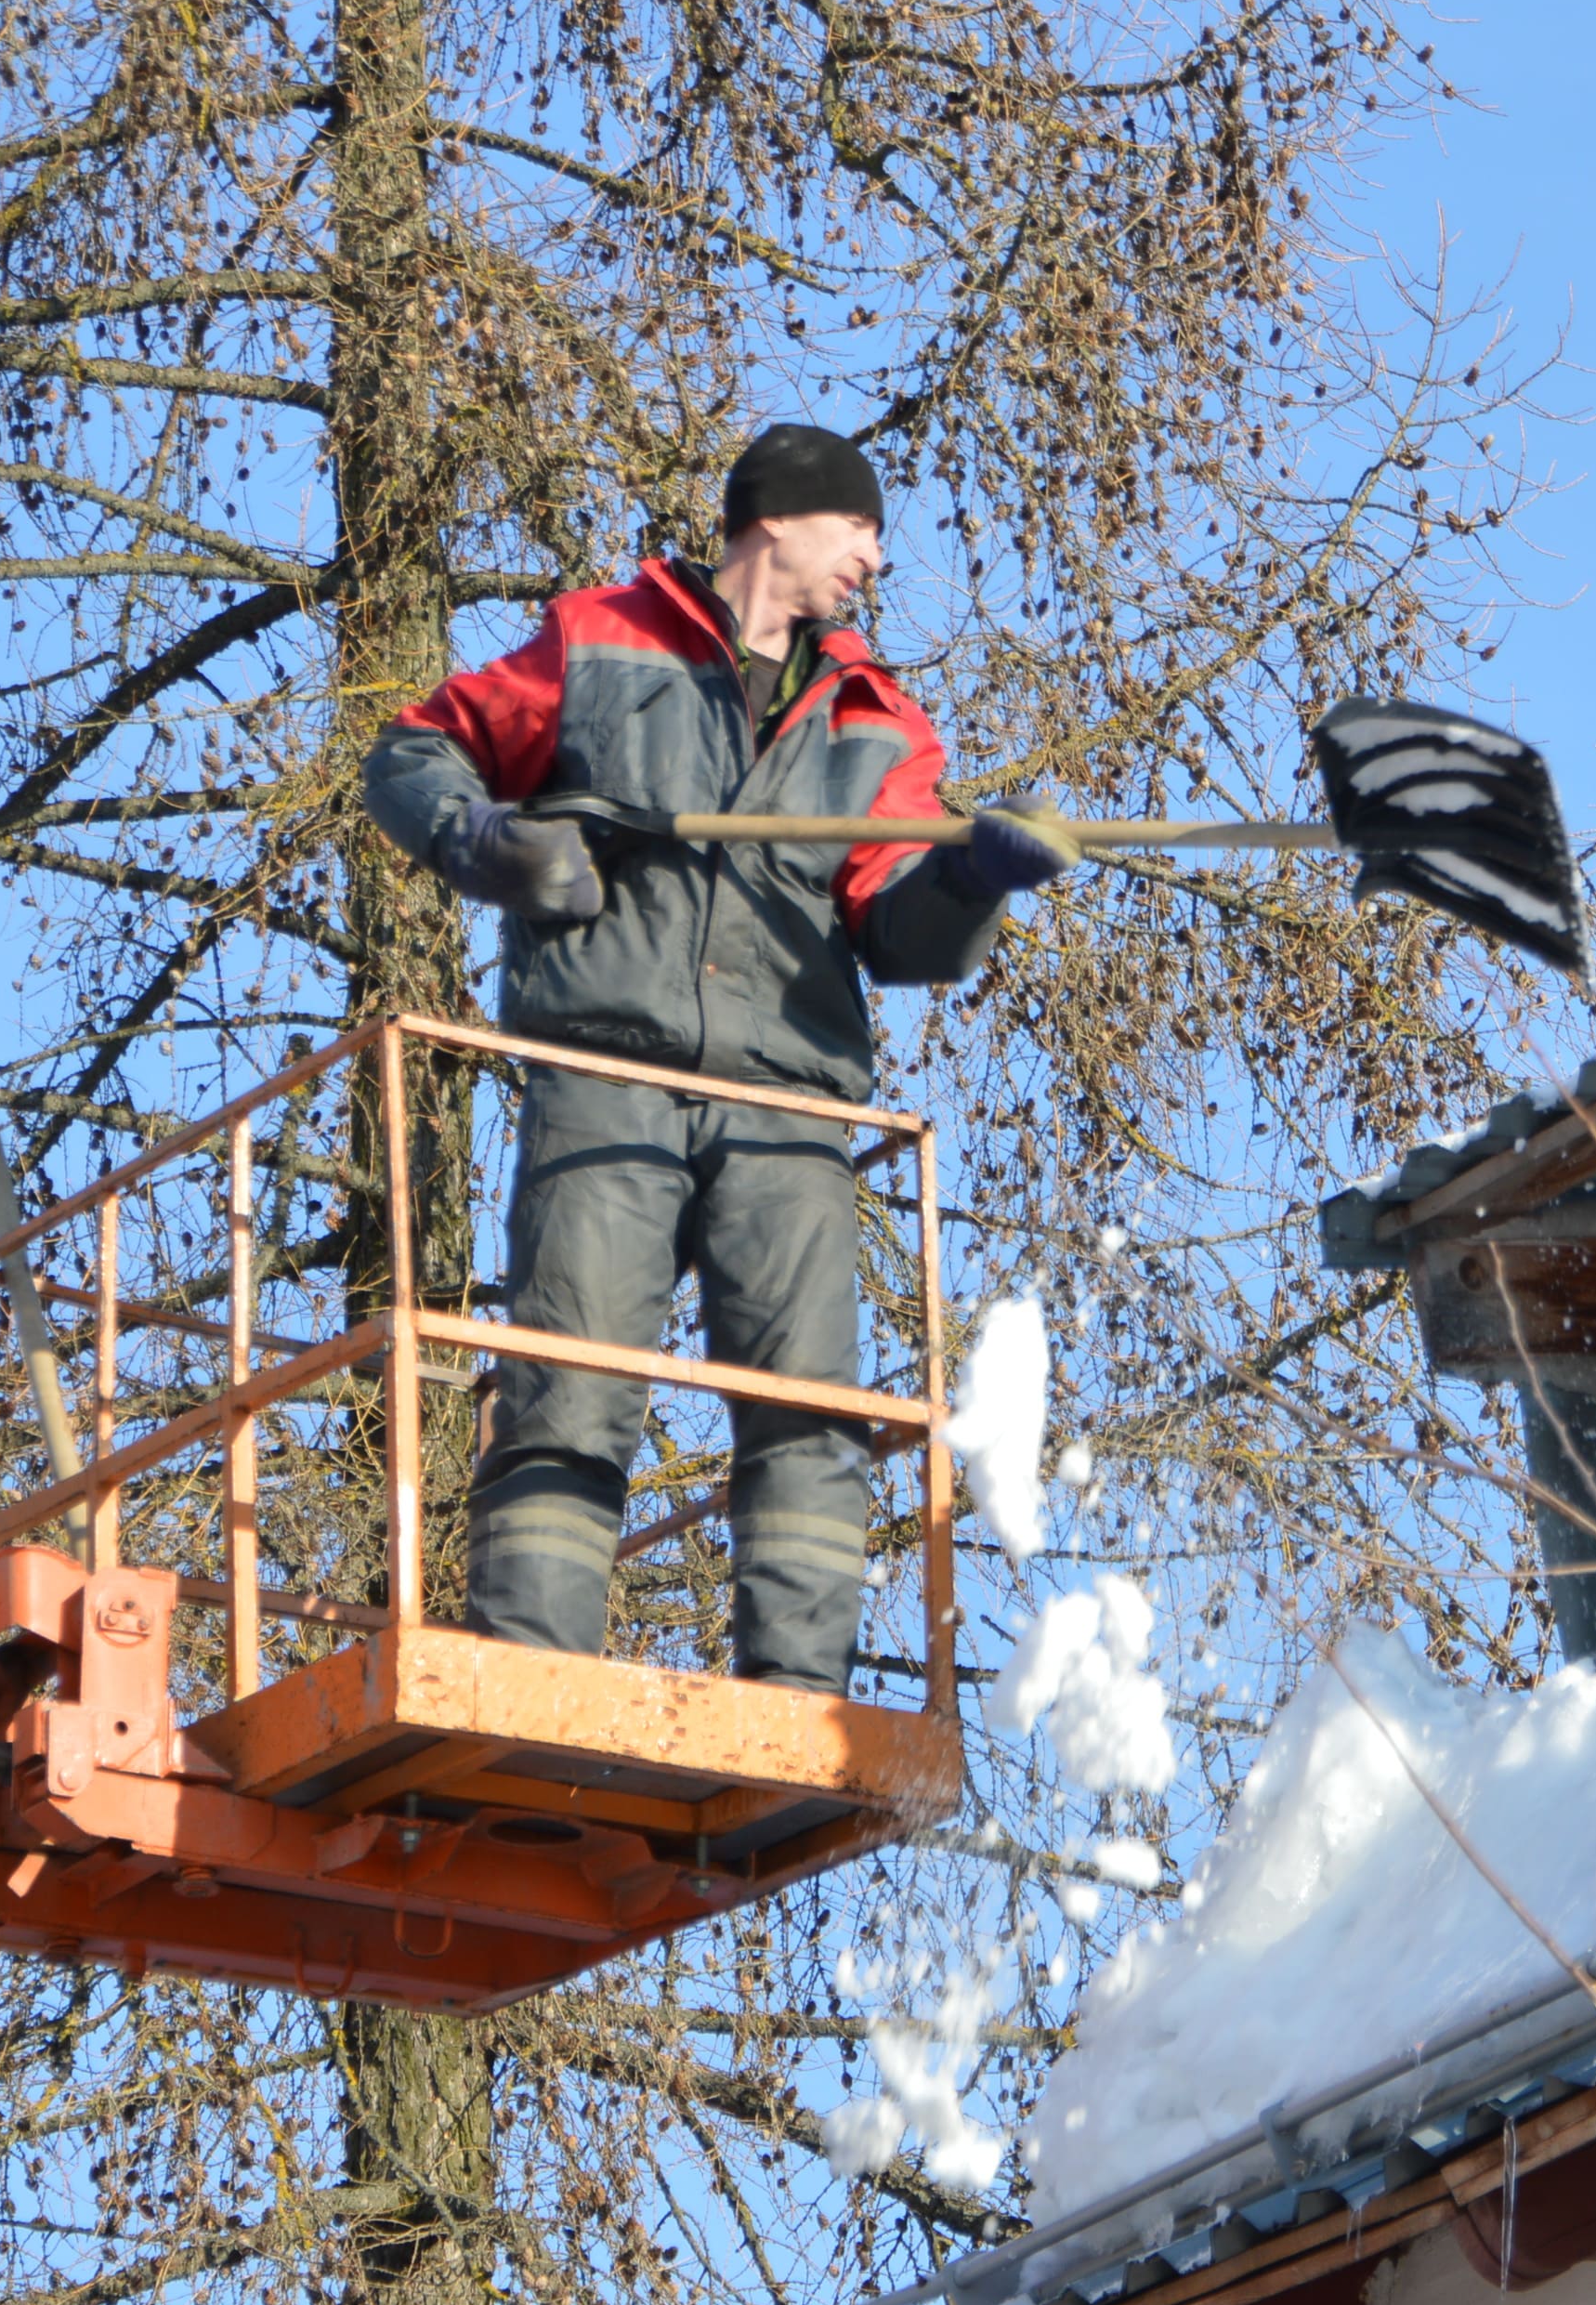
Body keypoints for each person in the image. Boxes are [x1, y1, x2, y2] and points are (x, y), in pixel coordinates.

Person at [360, 423, 1077, 1695]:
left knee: (809, 1412)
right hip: (606, 1076)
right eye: (856, 526)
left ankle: (801, 1704)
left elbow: (898, 927)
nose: (872, 555)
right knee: (571, 1386)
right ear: (779, 522)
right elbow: (417, 752)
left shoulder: (878, 724)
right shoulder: (601, 645)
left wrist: (970, 877)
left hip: (784, 1105)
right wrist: (486, 841)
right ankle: (536, 1685)